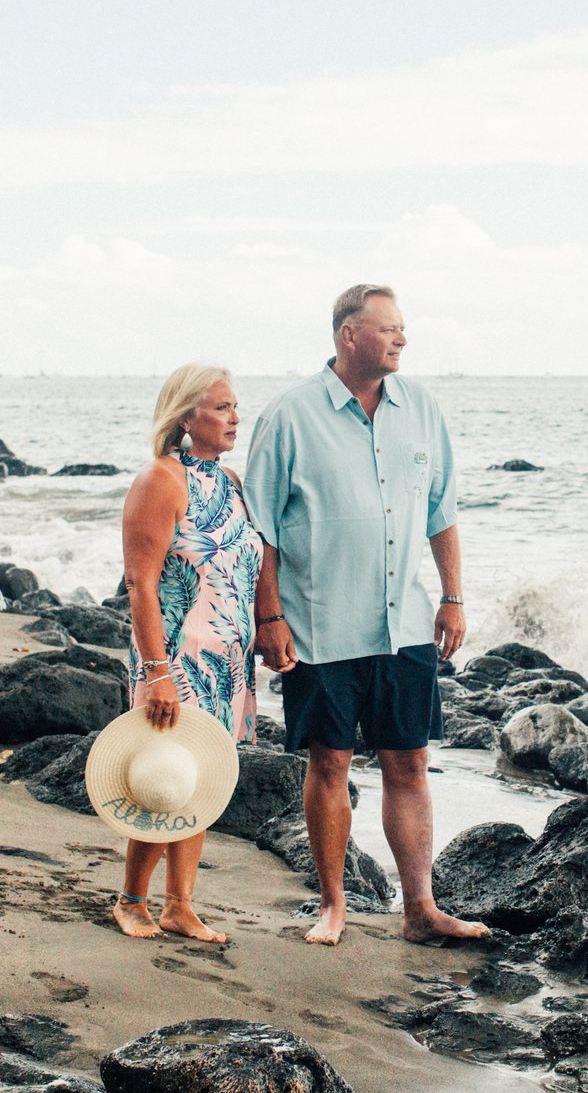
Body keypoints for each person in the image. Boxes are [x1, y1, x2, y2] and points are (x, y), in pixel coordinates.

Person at [244, 283, 490, 947]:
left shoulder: (422, 410)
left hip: (403, 624)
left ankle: (420, 909)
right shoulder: (290, 416)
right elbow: (260, 527)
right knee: (330, 763)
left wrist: (453, 595)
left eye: (404, 329)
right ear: (348, 334)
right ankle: (332, 906)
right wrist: (269, 618)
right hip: (319, 625)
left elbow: (442, 510)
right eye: (389, 329)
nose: (402, 338)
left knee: (409, 762)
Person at [114, 363, 259, 942]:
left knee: (203, 779)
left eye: (234, 406)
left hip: (226, 662)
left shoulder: (232, 484)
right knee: (162, 775)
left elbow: (248, 566)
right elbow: (140, 584)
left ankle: (179, 904)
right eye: (222, 407)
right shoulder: (161, 480)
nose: (235, 417)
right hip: (175, 660)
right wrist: (157, 673)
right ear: (186, 417)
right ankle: (131, 898)